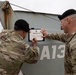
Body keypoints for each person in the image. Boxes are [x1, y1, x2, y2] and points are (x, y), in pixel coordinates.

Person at [41, 9, 76, 75]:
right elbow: (60, 36)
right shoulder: (70, 35)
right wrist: (47, 35)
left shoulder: (74, 44)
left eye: (61, 23)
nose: (61, 26)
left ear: (68, 20)